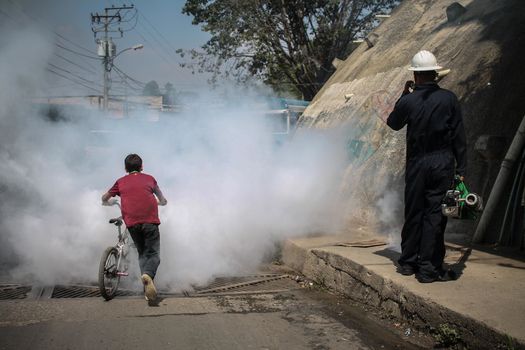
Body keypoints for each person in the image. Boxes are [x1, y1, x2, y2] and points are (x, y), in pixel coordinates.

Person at [386, 50, 467, 283]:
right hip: (442, 162)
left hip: (416, 163)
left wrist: (403, 95)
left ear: (415, 74)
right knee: (434, 215)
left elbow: (393, 123)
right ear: (435, 73)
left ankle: (408, 263)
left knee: (414, 211)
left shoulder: (409, 100)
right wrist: (461, 170)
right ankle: (428, 268)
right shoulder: (449, 99)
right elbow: (459, 137)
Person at [102, 154, 167, 300]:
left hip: (132, 224)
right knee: (154, 255)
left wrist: (107, 202)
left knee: (142, 253)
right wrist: (162, 202)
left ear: (125, 168)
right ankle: (148, 276)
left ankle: (147, 286)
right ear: (142, 167)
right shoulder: (150, 179)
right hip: (150, 222)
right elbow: (161, 198)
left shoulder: (120, 182)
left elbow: (104, 197)